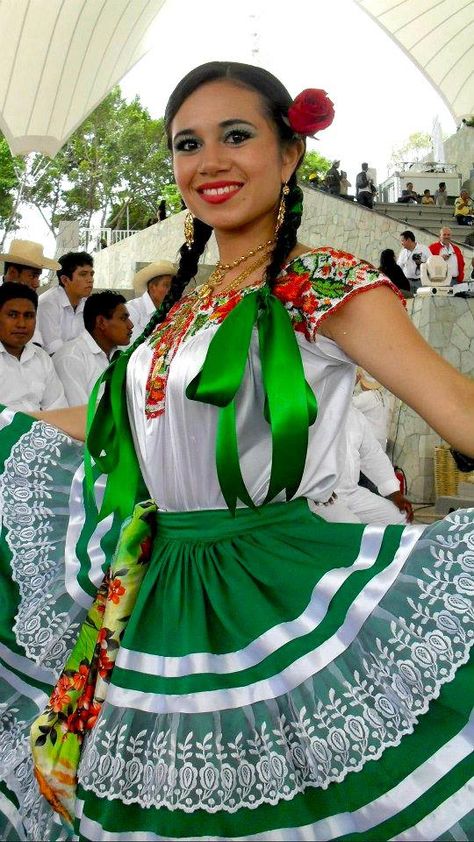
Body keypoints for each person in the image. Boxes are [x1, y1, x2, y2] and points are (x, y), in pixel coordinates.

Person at [0, 61, 473, 842]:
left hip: (272, 584)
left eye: (237, 136)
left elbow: (456, 406)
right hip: (160, 591)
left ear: (291, 155)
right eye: (189, 143)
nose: (210, 161)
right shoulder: (187, 302)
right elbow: (109, 418)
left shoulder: (322, 284)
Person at [311, 405, 412, 525]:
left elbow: (372, 455)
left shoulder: (355, 415)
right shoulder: (311, 410)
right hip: (319, 496)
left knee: (400, 517)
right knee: (351, 525)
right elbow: (298, 452)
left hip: (352, 493)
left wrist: (394, 493)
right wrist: (316, 486)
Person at [53, 291, 133, 406]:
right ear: (101, 322)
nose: (130, 325)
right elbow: (80, 413)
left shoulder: (120, 354)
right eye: (123, 319)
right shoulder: (71, 357)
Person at [0, 282, 67, 411]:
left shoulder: (41, 358)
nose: (21, 324)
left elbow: (56, 408)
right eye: (12, 315)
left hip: (40, 429)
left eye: (29, 316)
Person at [37, 250, 94, 354]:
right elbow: (54, 352)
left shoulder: (87, 303)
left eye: (91, 274)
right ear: (65, 280)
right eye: (83, 274)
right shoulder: (47, 304)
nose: (90, 279)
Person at [127, 260, 177, 342]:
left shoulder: (173, 310)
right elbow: (133, 345)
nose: (171, 290)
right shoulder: (132, 309)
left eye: (173, 285)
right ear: (152, 287)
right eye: (166, 285)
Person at [353, 369, 392, 448]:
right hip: (381, 440)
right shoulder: (385, 398)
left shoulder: (368, 396)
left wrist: (352, 384)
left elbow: (346, 404)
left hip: (369, 441)